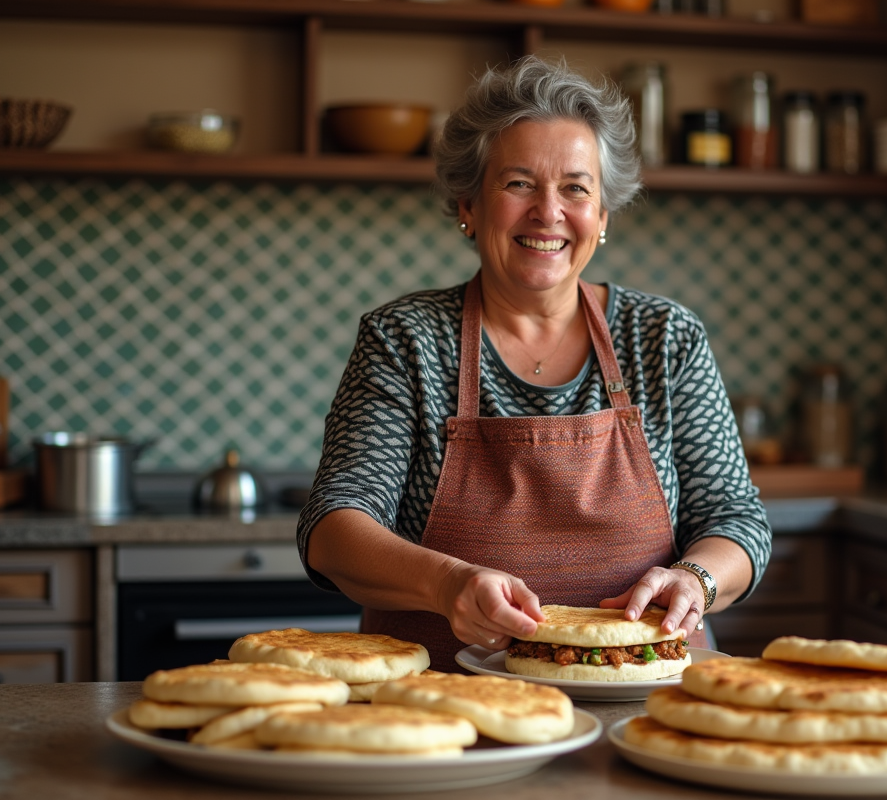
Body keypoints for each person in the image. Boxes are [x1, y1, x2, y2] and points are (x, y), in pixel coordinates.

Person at [297, 55, 771, 671]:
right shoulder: (407, 339)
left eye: (576, 188)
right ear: (469, 204)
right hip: (441, 709)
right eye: (519, 183)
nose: (549, 212)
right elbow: (335, 523)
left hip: (644, 698)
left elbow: (735, 517)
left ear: (601, 217)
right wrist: (446, 586)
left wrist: (697, 579)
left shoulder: (664, 338)